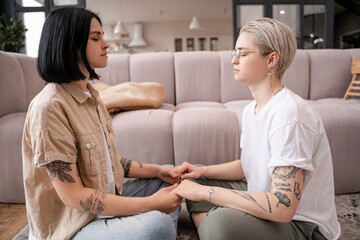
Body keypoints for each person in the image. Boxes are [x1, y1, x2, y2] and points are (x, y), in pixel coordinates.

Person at [173, 18, 340, 240]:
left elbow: (283, 207)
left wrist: (206, 194)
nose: (233, 59)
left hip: (302, 225)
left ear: (271, 59)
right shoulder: (251, 109)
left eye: (242, 53)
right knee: (193, 181)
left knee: (218, 221)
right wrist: (201, 173)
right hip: (265, 202)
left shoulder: (290, 114)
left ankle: (215, 230)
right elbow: (250, 164)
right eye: (235, 52)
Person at [22, 8, 181, 240]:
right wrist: (150, 204)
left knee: (167, 180)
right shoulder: (49, 107)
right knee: (158, 225)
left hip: (100, 208)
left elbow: (107, 160)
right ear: (70, 44)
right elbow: (73, 196)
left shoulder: (91, 96)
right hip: (72, 225)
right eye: (96, 38)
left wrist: (158, 170)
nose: (106, 44)